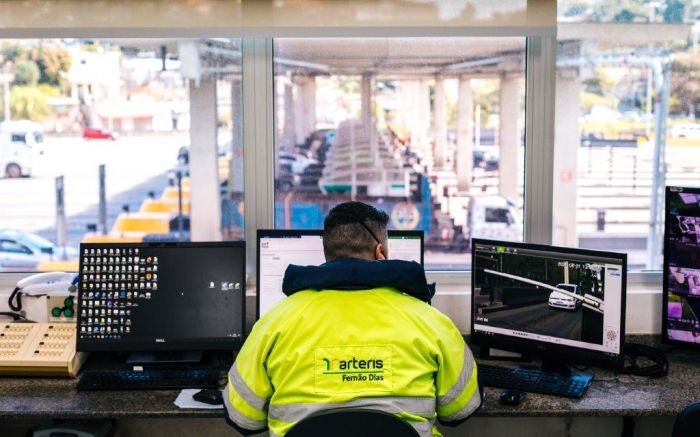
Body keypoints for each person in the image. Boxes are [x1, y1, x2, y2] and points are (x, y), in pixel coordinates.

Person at [224, 201, 481, 436]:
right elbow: (459, 409)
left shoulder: (274, 323)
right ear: (380, 252)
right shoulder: (431, 322)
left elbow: (244, 417)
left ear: (327, 255)